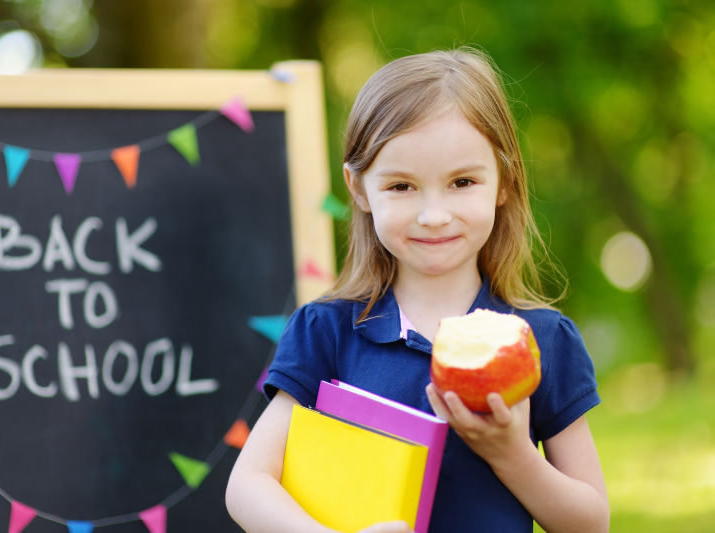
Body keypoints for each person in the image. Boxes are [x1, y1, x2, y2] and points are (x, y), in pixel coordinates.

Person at [225, 47, 609, 533]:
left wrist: (512, 456)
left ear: (504, 182)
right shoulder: (326, 331)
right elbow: (248, 485)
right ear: (359, 189)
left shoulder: (543, 340)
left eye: (462, 182)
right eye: (402, 187)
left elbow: (591, 522)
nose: (434, 215)